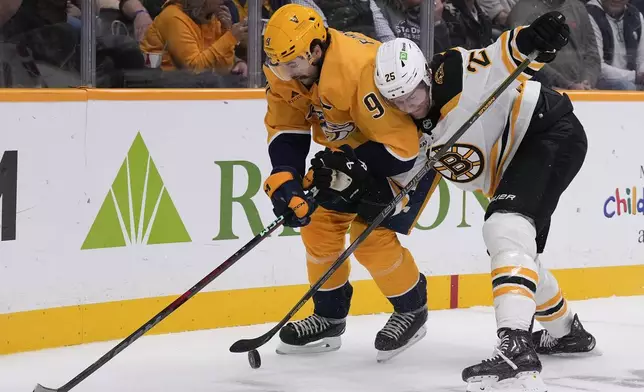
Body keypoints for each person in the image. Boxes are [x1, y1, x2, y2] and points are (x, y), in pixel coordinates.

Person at [372, 12, 596, 390]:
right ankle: (567, 332)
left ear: (427, 76)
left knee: (503, 228)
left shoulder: (455, 71)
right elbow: (401, 174)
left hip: (545, 129)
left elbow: (502, 55)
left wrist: (532, 38)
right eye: (398, 101)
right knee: (519, 252)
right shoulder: (400, 126)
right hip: (514, 161)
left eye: (414, 95)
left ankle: (516, 347)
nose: (410, 106)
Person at [260, 3, 442, 361]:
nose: (283, 72)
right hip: (354, 153)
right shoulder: (288, 71)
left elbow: (401, 149)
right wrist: (286, 177)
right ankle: (329, 316)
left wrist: (349, 164)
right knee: (318, 225)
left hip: (407, 155)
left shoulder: (358, 69)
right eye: (276, 63)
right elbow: (287, 126)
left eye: (291, 62)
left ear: (315, 50)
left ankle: (411, 309)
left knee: (370, 236)